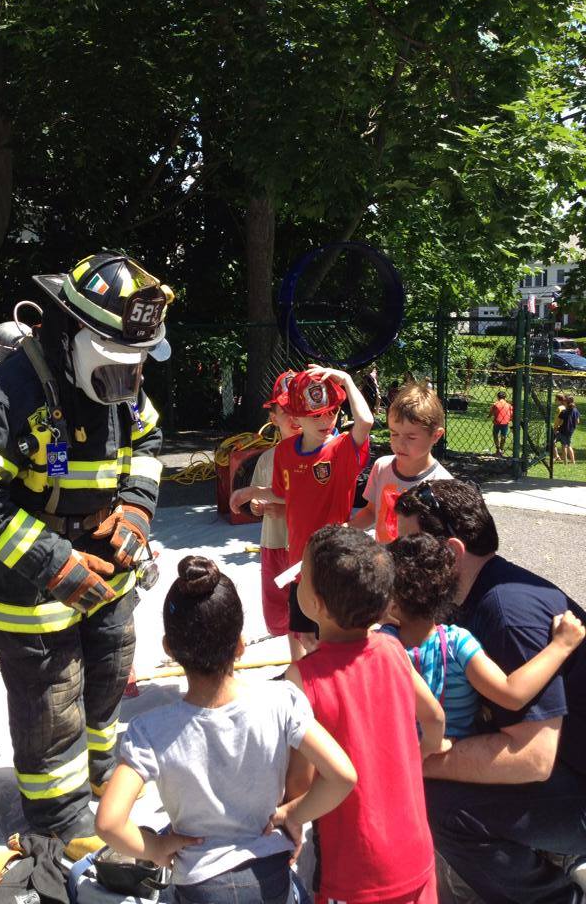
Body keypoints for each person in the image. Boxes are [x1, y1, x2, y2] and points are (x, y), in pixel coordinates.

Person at [0, 251, 172, 856]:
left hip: (106, 571)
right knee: (52, 697)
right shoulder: (2, 395)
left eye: (138, 365)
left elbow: (148, 437)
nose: (128, 380)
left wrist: (138, 508)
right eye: (118, 363)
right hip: (29, 586)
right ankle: (59, 817)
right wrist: (54, 563)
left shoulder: (121, 379)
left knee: (107, 673)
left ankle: (102, 777)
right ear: (72, 332)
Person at [95, 555, 357, 904]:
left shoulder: (151, 730)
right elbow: (342, 776)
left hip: (198, 887)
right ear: (240, 645)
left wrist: (157, 847)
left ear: (169, 649)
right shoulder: (282, 700)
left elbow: (109, 823)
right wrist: (291, 815)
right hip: (271, 883)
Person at [394, 479, 586, 903]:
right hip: (568, 770)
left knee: (440, 801)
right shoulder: (466, 595)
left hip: (574, 788)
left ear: (451, 552)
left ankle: (553, 896)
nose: (397, 558)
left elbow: (532, 758)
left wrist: (412, 762)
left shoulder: (506, 614)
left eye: (408, 544)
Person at [282, 525, 447, 904]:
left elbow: (301, 785)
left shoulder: (303, 678)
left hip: (356, 869)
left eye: (302, 576)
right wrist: (423, 755)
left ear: (318, 604)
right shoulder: (393, 651)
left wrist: (289, 813)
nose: (298, 580)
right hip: (416, 851)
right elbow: (435, 719)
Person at [384, 532, 585, 740]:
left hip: (398, 753)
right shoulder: (457, 644)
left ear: (393, 604)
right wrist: (561, 646)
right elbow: (512, 694)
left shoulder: (381, 643)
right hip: (451, 763)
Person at [230, 366, 373, 649]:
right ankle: (312, 683)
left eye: (331, 412)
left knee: (335, 633)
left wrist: (344, 379)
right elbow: (288, 494)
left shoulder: (342, 449)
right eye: (316, 415)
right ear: (296, 418)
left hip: (333, 560)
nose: (326, 420)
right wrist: (252, 491)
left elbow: (366, 421)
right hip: (299, 559)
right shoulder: (285, 452)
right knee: (305, 634)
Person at [349, 382, 451, 542]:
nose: (399, 444)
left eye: (411, 437)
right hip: (384, 562)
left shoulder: (443, 484)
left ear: (436, 436)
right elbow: (371, 511)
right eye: (394, 434)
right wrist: (346, 529)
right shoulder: (382, 466)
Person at [249, 370, 304, 660]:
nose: (295, 416)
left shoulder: (317, 457)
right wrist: (257, 506)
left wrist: (283, 507)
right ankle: (297, 663)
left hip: (302, 545)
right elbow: (255, 499)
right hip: (274, 541)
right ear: (274, 417)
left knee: (306, 606)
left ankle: (309, 664)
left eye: (300, 408)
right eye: (287, 410)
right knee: (279, 606)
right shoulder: (267, 459)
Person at [556, 395, 580, 466]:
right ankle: (573, 461)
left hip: (563, 430)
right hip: (571, 431)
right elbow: (577, 421)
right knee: (568, 445)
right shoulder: (576, 410)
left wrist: (556, 428)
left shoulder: (563, 412)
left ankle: (565, 462)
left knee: (564, 446)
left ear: (566, 402)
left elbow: (559, 422)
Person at [489, 390, 513, 457]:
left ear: (498, 397)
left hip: (497, 422)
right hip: (505, 422)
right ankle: (501, 449)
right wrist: (509, 419)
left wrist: (489, 416)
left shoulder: (495, 404)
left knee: (495, 434)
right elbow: (511, 414)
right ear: (505, 398)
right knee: (503, 436)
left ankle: (497, 448)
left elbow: (491, 412)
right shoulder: (509, 405)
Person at [553, 392, 567, 463]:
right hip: (560, 427)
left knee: (552, 442)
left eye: (556, 399)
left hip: (557, 427)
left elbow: (558, 419)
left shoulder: (559, 408)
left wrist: (556, 427)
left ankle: (557, 456)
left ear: (560, 400)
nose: (555, 400)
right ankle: (558, 456)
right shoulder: (564, 407)